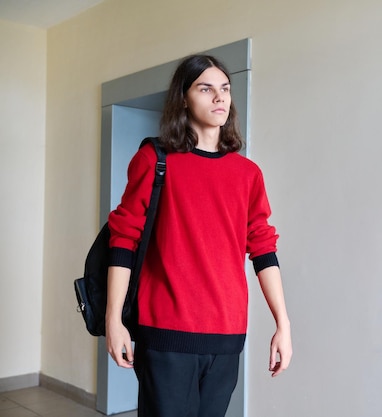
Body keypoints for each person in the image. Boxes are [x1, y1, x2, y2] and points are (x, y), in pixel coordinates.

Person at [105, 54, 292, 417]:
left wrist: (282, 325)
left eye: (224, 89)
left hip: (227, 335)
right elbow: (123, 240)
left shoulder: (248, 174)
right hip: (165, 333)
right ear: (184, 99)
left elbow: (264, 249)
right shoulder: (154, 159)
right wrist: (114, 321)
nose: (219, 98)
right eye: (205, 89)